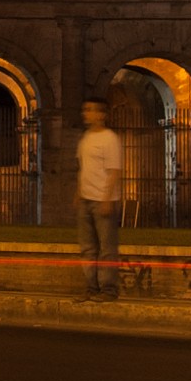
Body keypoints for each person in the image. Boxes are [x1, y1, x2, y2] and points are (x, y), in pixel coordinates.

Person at [76, 94, 124, 301]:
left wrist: (106, 199)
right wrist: (78, 192)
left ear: (101, 114)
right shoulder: (86, 137)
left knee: (106, 248)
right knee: (87, 248)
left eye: (90, 110)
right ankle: (91, 287)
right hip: (86, 199)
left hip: (102, 200)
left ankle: (109, 290)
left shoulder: (110, 139)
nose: (85, 113)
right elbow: (83, 168)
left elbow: (114, 171)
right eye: (85, 109)